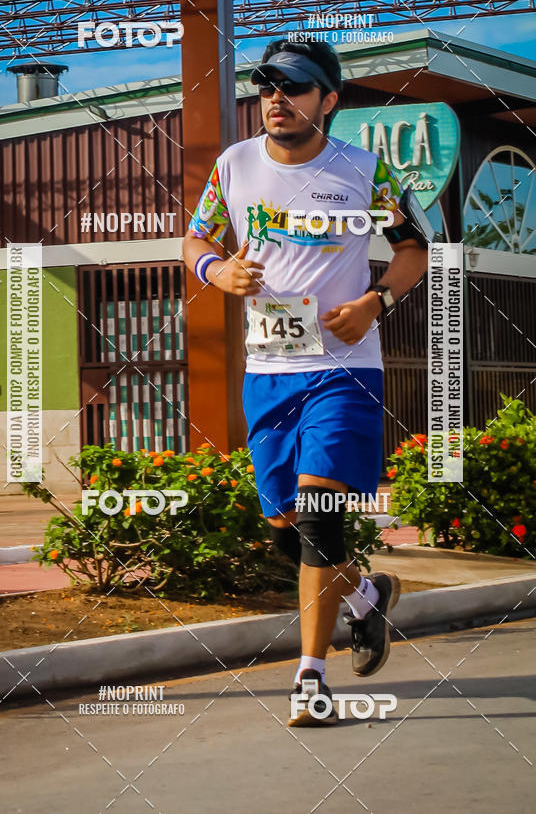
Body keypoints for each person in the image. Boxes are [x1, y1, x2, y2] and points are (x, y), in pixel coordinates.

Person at [182, 38, 428, 727]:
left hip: (345, 370)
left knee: (321, 521)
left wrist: (376, 301)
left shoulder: (363, 170)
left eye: (292, 87)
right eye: (266, 88)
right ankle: (366, 599)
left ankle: (310, 680)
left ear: (329, 100)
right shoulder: (235, 166)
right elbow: (196, 239)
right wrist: (216, 272)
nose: (275, 100)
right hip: (268, 374)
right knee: (289, 535)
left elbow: (415, 246)